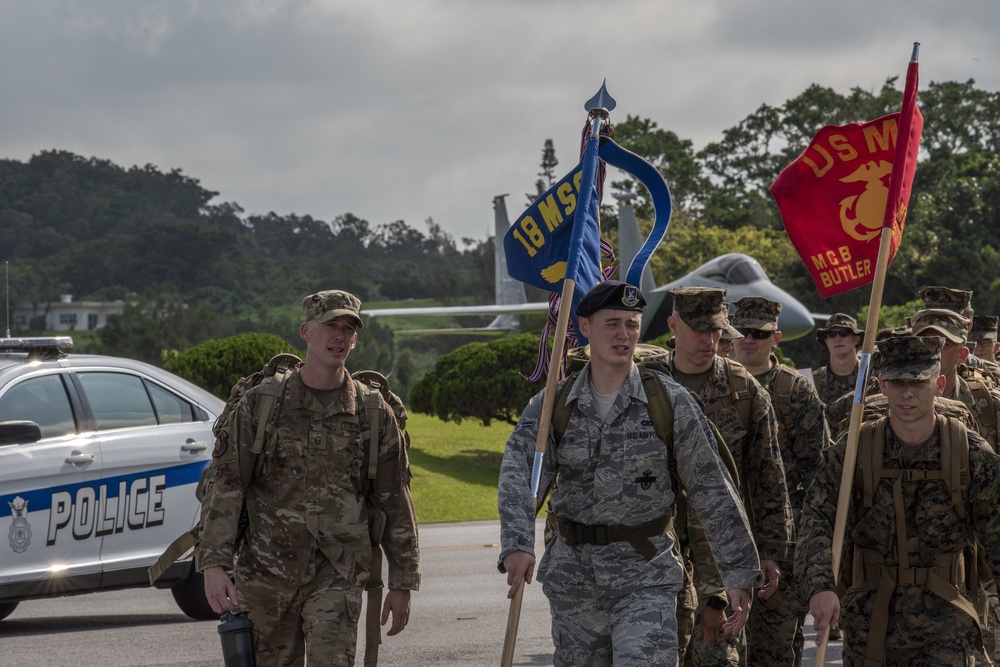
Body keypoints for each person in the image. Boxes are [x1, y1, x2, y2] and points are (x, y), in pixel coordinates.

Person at [498, 281, 762, 667]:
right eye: (612, 324)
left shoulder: (669, 401)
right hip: (575, 584)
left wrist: (738, 571)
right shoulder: (553, 406)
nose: (624, 335)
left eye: (632, 324)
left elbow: (712, 486)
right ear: (585, 327)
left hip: (646, 577)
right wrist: (517, 543)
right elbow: (521, 474)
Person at [198, 290, 420, 667]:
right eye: (331, 325)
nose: (339, 336)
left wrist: (403, 581)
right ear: (306, 331)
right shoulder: (261, 404)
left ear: (355, 339)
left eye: (348, 328)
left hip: (338, 569)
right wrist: (214, 565)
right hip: (267, 572)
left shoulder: (373, 411)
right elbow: (227, 485)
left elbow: (394, 499)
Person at [797, 334, 1000, 666]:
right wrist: (820, 587)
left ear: (940, 383)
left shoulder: (969, 452)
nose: (907, 393)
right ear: (881, 385)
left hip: (946, 622)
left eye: (919, 382)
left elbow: (996, 531)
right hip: (869, 620)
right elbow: (818, 519)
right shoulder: (854, 452)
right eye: (898, 381)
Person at [664, 287, 793, 667]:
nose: (709, 340)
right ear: (673, 326)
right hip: (660, 554)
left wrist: (770, 551)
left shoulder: (744, 392)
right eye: (698, 330)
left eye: (717, 330)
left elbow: (768, 476)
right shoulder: (648, 386)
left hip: (722, 551)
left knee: (720, 655)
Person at [731, 296, 829, 666]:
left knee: (773, 647)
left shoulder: (793, 391)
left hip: (781, 541)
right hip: (722, 536)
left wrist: (804, 536)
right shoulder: (717, 384)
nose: (748, 340)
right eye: (741, 331)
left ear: (776, 338)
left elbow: (818, 471)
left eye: (759, 333)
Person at [910, 308, 1000, 448]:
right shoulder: (890, 401)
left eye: (944, 344)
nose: (932, 350)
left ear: (962, 355)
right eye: (924, 342)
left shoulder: (988, 403)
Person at [811, 313, 864, 407]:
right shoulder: (814, 382)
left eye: (844, 333)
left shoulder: (869, 378)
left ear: (855, 339)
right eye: (831, 334)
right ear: (826, 341)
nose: (837, 339)